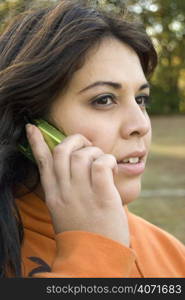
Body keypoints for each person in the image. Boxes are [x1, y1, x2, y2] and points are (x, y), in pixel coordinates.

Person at [0, 0, 184, 278]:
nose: (140, 125)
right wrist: (94, 255)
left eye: (141, 99)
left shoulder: (171, 252)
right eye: (104, 99)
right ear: (29, 123)